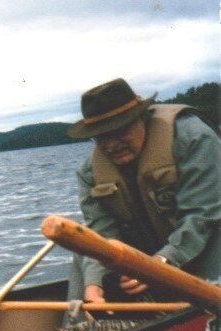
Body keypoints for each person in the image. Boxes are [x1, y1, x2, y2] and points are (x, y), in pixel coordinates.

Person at [65, 77, 221, 307]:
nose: (111, 145)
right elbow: (101, 232)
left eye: (118, 131)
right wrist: (94, 285)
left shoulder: (193, 137)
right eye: (100, 136)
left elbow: (203, 215)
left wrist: (159, 265)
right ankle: (85, 325)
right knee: (85, 248)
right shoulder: (89, 172)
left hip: (202, 244)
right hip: (149, 262)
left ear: (141, 118)